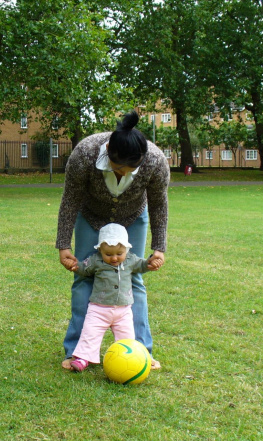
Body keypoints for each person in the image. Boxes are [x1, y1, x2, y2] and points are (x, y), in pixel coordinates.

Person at [57, 110, 170, 370]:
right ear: (108, 150)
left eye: (132, 170)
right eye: (120, 169)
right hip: (92, 215)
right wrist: (64, 245)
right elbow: (70, 200)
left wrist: (159, 247)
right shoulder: (84, 154)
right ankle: (77, 352)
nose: (124, 174)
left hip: (133, 215)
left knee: (134, 278)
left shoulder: (155, 160)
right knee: (83, 276)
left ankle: (140, 351)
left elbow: (159, 204)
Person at [64, 223, 163, 372]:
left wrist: (151, 262)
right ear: (100, 250)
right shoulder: (95, 260)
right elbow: (84, 268)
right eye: (108, 254)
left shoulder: (131, 260)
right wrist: (74, 265)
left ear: (127, 249)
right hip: (98, 309)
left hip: (123, 311)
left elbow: (143, 265)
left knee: (127, 338)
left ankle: (129, 360)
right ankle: (83, 358)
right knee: (90, 333)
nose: (114, 258)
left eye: (119, 253)